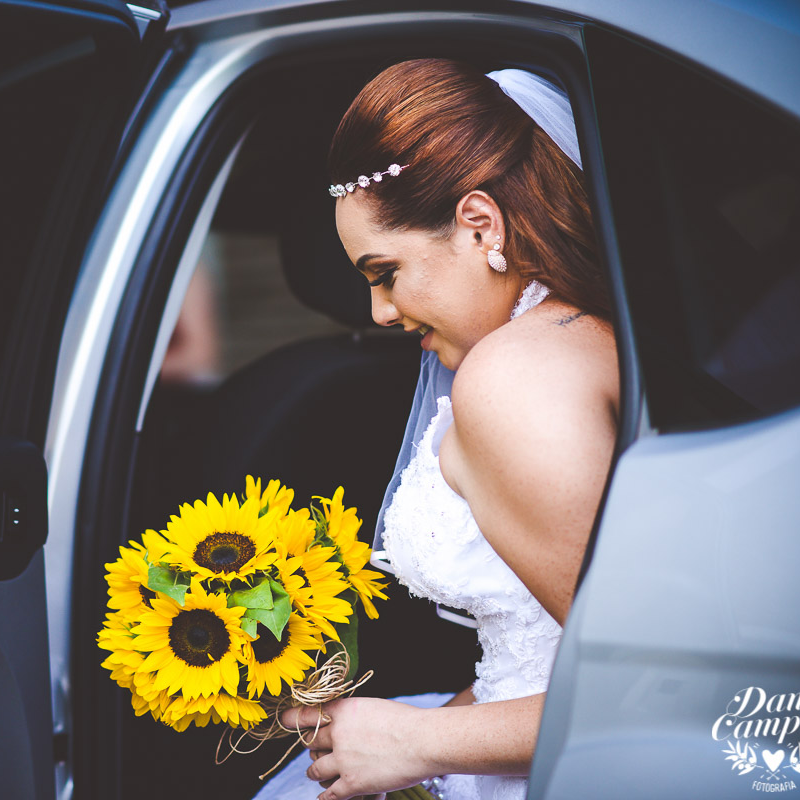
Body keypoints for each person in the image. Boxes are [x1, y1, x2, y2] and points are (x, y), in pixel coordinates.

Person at [254, 60, 619, 800]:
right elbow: (546, 660)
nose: (380, 313)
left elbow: (650, 687)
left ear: (480, 224)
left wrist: (418, 742)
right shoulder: (585, 340)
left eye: (385, 272)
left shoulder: (511, 378)